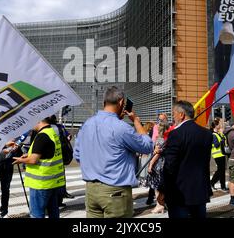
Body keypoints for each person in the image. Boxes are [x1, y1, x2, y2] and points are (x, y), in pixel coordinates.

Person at [74, 86, 153, 218]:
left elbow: (77, 155)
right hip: (116, 191)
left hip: (91, 190)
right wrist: (137, 122)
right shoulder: (122, 128)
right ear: (121, 102)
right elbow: (147, 146)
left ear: (104, 102)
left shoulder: (87, 124)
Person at [157, 101, 213, 219]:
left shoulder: (176, 134)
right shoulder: (207, 134)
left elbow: (169, 166)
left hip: (179, 194)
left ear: (181, 115)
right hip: (200, 191)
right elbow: (205, 163)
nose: (173, 117)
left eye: (174, 114)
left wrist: (162, 189)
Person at [13, 118, 65, 218]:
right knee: (53, 212)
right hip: (52, 182)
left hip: (40, 184)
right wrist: (28, 156)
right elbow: (46, 154)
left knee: (37, 214)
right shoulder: (52, 132)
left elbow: (33, 160)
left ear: (38, 120)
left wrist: (21, 160)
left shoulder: (42, 136)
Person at [48, 115, 75, 208]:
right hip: (58, 157)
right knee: (60, 177)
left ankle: (60, 195)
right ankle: (60, 197)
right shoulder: (58, 127)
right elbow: (67, 136)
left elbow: (67, 136)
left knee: (57, 178)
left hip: (54, 158)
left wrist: (67, 137)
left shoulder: (59, 127)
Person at [146, 121, 169, 213]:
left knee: (156, 185)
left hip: (158, 164)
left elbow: (157, 153)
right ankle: (162, 204)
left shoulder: (159, 139)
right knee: (161, 185)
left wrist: (150, 164)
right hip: (164, 163)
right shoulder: (167, 139)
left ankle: (159, 205)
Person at [210, 118, 228, 191]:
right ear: (216, 126)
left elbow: (224, 141)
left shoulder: (218, 134)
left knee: (222, 170)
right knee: (221, 170)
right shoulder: (213, 135)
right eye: (218, 125)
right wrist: (222, 140)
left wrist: (222, 135)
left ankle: (215, 183)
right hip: (217, 155)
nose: (220, 126)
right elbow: (217, 145)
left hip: (222, 154)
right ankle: (216, 184)